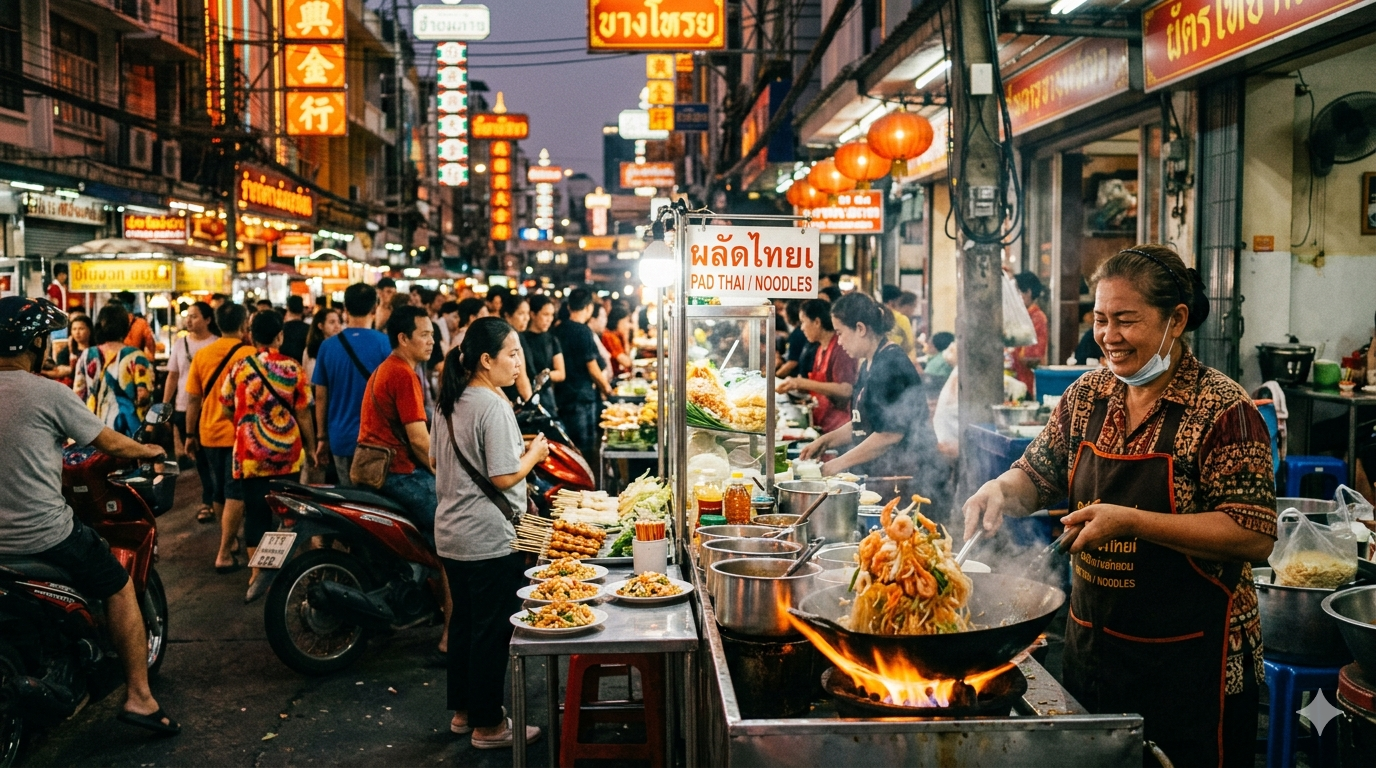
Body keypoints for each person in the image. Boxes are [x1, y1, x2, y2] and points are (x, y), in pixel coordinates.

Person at [963, 245, 1275, 768]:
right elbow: (1037, 476)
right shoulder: (1088, 395)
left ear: (1176, 320)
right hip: (1095, 649)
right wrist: (999, 488)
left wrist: (1130, 521)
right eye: (1101, 319)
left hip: (1195, 661)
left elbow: (1252, 534)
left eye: (1126, 321)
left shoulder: (1224, 409)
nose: (1108, 336)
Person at [0, 297, 178, 735]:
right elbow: (112, 444)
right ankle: (139, 697)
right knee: (118, 586)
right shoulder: (48, 392)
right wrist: (152, 450)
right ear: (35, 343)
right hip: (43, 536)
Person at [434, 317, 546, 749]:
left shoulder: (450, 400)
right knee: (491, 631)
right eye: (512, 354)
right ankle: (489, 726)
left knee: (465, 623)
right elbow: (503, 476)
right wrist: (533, 454)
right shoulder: (492, 405)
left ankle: (463, 713)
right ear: (486, 360)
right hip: (486, 539)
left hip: (451, 533)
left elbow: (434, 461)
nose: (519, 362)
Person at [220, 310, 315, 602]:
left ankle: (258, 572)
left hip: (250, 454)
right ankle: (291, 568)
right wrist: (311, 447)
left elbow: (225, 407)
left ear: (251, 335)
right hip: (287, 453)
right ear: (280, 336)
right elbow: (302, 412)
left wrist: (248, 422)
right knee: (288, 513)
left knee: (256, 513)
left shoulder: (239, 368)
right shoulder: (292, 368)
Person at [799, 293, 933, 487]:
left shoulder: (890, 365)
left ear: (860, 329)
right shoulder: (869, 364)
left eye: (840, 333)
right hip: (883, 474)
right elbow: (861, 422)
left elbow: (889, 434)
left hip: (908, 477)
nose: (839, 341)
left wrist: (836, 465)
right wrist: (825, 441)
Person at [185, 304, 255, 573]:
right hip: (239, 432)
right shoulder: (251, 354)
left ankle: (231, 539)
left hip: (209, 431)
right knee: (235, 491)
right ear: (243, 324)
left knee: (218, 489)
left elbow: (193, 399)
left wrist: (190, 434)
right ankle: (224, 552)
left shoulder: (203, 355)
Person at [357, 306, 438, 538]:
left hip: (378, 468)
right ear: (403, 338)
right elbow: (420, 441)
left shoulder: (389, 367)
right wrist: (443, 472)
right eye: (424, 335)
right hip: (398, 472)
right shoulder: (402, 374)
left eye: (432, 334)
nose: (431, 341)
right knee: (449, 520)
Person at [313, 284, 390, 487]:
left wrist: (321, 438)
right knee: (374, 506)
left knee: (349, 501)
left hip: (341, 437)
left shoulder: (327, 347)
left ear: (345, 309)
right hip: (377, 440)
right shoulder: (386, 345)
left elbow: (321, 396)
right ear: (374, 308)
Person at [163, 302, 219, 522]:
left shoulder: (216, 344)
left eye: (194, 316)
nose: (189, 320)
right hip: (184, 407)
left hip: (209, 409)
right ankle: (209, 499)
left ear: (208, 320)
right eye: (188, 316)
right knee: (200, 458)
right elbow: (173, 376)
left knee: (211, 457)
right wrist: (165, 405)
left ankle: (216, 499)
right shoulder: (180, 344)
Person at [776, 299, 858, 433]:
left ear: (817, 322)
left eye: (803, 322)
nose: (801, 328)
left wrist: (802, 383)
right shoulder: (820, 348)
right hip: (822, 422)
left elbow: (846, 390)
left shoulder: (841, 348)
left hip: (839, 427)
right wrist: (796, 387)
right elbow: (820, 386)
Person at [73, 303, 154, 438]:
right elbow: (143, 395)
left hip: (93, 431)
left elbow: (78, 395)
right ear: (125, 326)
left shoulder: (87, 355)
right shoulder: (136, 356)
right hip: (127, 433)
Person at [553, 288, 610, 461]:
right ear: (589, 308)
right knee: (585, 449)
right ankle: (588, 485)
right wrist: (608, 390)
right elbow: (592, 367)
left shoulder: (558, 329)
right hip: (582, 399)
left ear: (569, 306)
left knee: (569, 450)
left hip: (563, 397)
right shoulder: (583, 331)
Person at [1010, 272, 1050, 394]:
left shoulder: (1037, 318)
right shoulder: (1021, 316)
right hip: (1016, 381)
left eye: (1018, 292)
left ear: (1028, 292)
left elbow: (1034, 357)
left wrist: (1011, 353)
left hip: (1028, 383)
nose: (1015, 298)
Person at [523, 295, 564, 411]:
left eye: (552, 315)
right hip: (525, 395)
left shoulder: (552, 339)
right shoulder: (522, 338)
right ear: (533, 314)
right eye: (545, 315)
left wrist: (543, 376)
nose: (549, 319)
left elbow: (561, 373)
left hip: (546, 396)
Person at [500, 294, 534, 403]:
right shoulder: (513, 338)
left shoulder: (516, 335)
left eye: (527, 313)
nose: (527, 318)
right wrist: (530, 401)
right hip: (514, 400)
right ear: (507, 315)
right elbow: (521, 377)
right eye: (521, 313)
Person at [302, 306, 342, 384]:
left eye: (339, 322)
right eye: (332, 322)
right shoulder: (310, 350)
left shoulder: (341, 348)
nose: (337, 326)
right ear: (320, 326)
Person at [49, 313, 92, 385]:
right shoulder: (65, 353)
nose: (77, 332)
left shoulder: (95, 351)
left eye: (81, 329)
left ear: (89, 330)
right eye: (74, 329)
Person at [115, 292, 158, 361]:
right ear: (132, 305)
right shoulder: (141, 323)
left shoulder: (114, 322)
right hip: (136, 363)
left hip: (117, 363)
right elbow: (151, 346)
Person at [882, 285, 917, 358]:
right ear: (891, 302)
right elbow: (909, 346)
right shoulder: (901, 319)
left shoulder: (873, 316)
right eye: (899, 302)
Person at [777, 300, 808, 379]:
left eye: (784, 310)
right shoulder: (796, 333)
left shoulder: (797, 334)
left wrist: (775, 376)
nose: (783, 314)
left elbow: (792, 362)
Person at [602, 306, 634, 378]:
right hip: (613, 378)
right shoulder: (609, 337)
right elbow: (626, 362)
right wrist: (626, 338)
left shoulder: (616, 335)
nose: (628, 325)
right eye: (626, 321)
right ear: (618, 321)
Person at [278, 295, 310, 363]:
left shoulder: (281, 329)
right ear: (302, 309)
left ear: (288, 308)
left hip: (284, 368)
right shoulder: (309, 329)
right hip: (304, 369)